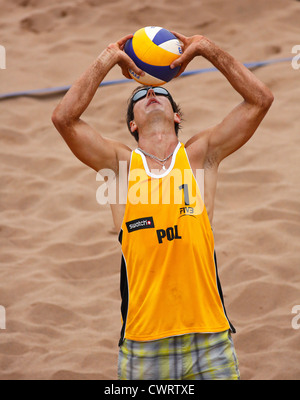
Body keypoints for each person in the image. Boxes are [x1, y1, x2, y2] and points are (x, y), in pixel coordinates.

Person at [52, 32, 273, 380]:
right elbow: (64, 119)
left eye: (160, 91)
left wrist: (206, 49)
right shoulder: (120, 165)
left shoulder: (200, 156)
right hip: (145, 341)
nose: (151, 92)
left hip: (210, 335)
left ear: (176, 117)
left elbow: (260, 100)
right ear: (132, 125)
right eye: (141, 93)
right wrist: (108, 57)